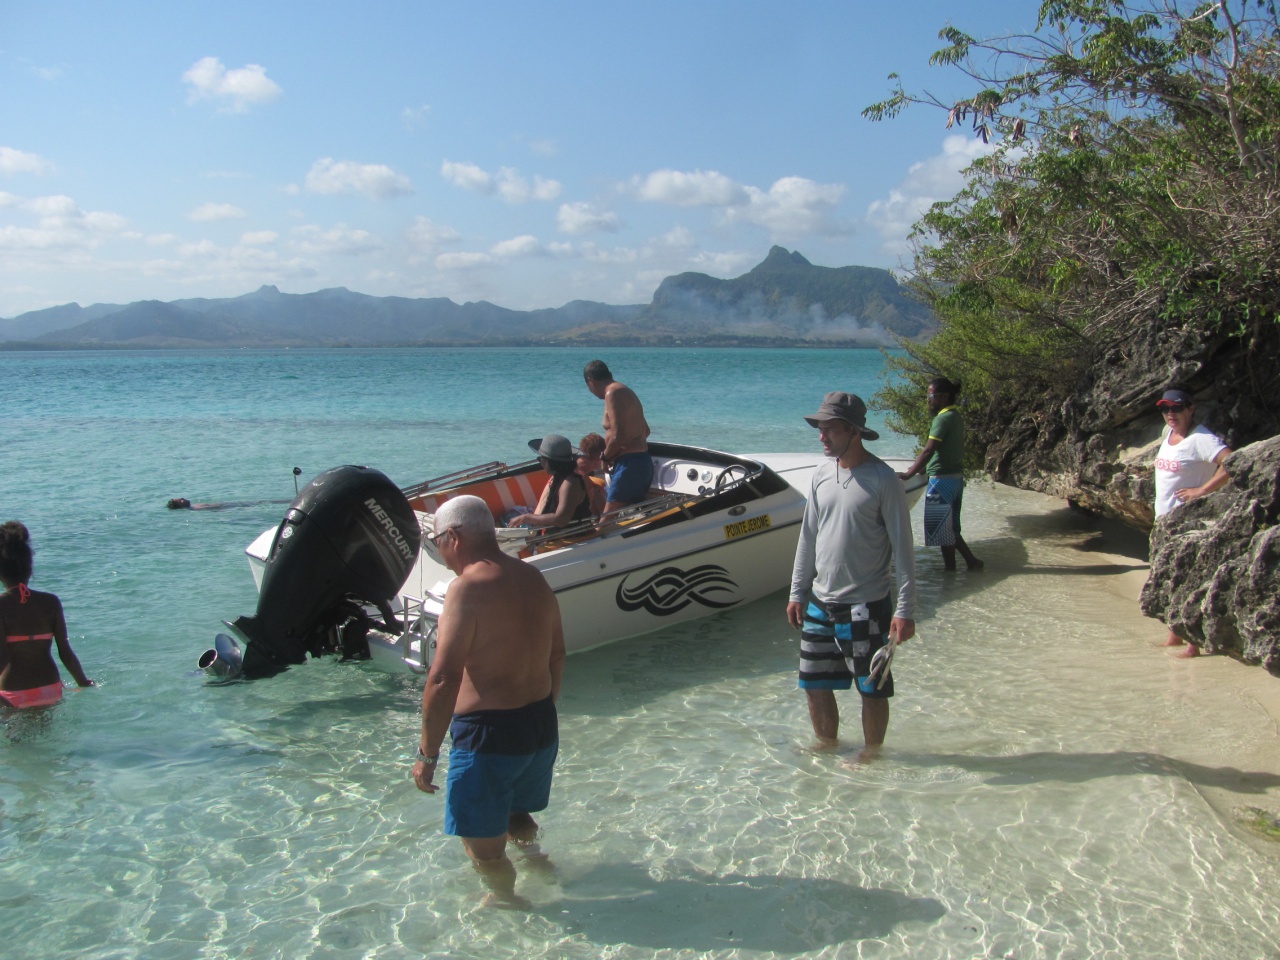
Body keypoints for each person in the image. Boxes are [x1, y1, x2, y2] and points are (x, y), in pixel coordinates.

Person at [411, 495, 565, 906]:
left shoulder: (466, 589)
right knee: (516, 814)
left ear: (455, 537)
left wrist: (426, 756)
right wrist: (541, 712)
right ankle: (540, 864)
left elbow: (443, 678)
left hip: (489, 737)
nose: (439, 548)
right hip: (540, 728)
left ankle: (507, 906)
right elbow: (558, 655)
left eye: (438, 538)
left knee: (483, 851)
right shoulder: (533, 577)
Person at [787, 392, 916, 760]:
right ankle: (828, 747)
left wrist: (905, 611)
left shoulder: (883, 480)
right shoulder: (821, 474)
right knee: (814, 684)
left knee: (871, 687)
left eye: (830, 429)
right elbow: (808, 537)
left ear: (854, 431)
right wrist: (797, 592)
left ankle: (872, 755)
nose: (821, 436)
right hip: (819, 602)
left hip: (866, 605)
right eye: (820, 429)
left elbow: (905, 552)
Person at [1152, 386, 1232, 658]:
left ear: (1190, 408)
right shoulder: (1169, 434)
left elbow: (1231, 462)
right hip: (1164, 521)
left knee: (1186, 582)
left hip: (1188, 523)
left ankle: (1192, 646)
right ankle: (1174, 636)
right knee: (1170, 582)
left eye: (1176, 408)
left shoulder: (1202, 438)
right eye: (1165, 409)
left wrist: (1202, 490)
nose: (1170, 414)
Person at [0, 521, 93, 708]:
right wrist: (83, 681)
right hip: (50, 688)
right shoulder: (51, 602)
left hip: (13, 693)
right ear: (30, 569)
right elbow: (65, 652)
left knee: (18, 737)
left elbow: (2, 657)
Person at [896, 377, 983, 571]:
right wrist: (922, 468)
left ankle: (959, 567)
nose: (928, 399)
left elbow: (929, 450)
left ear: (943, 397)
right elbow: (943, 449)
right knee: (949, 528)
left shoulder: (943, 418)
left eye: (931, 395)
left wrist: (909, 473)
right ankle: (966, 565)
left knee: (943, 529)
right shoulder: (955, 416)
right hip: (955, 479)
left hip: (942, 480)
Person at [582, 359, 653, 515]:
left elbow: (618, 435)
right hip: (638, 462)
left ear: (591, 381)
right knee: (625, 515)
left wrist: (605, 457)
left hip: (629, 465)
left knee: (608, 517)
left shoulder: (612, 392)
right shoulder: (624, 391)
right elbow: (645, 431)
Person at [507, 434, 592, 532]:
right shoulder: (560, 479)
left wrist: (526, 517)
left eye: (541, 459)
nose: (541, 463)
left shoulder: (570, 483)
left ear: (552, 462)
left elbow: (561, 519)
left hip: (572, 539)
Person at [576, 432, 608, 519]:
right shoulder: (580, 475)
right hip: (577, 518)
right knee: (596, 492)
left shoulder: (578, 466)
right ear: (599, 458)